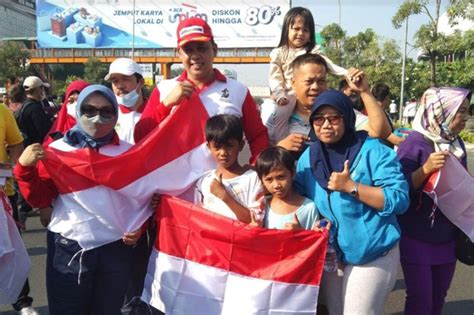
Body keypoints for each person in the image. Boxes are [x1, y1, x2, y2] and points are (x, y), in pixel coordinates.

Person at [14, 85, 152, 315]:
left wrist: (140, 227)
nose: (97, 118)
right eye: (89, 110)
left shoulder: (129, 154)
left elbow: (143, 198)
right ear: (78, 111)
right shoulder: (56, 151)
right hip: (69, 247)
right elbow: (40, 197)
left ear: (115, 114)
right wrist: (24, 169)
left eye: (106, 111)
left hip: (115, 248)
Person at [294, 89, 409, 314]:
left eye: (334, 117)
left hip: (372, 253)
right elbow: (300, 198)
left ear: (348, 118)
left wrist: (352, 187)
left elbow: (400, 199)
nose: (326, 124)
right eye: (319, 118)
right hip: (332, 256)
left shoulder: (373, 151)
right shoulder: (309, 158)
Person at [134, 17, 268, 166]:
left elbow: (258, 136)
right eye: (188, 50)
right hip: (173, 187)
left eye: (202, 48)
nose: (196, 55)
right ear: (179, 54)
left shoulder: (238, 91)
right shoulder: (164, 89)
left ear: (214, 50)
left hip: (222, 187)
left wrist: (256, 168)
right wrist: (166, 105)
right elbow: (140, 137)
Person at [396, 87, 471, 315]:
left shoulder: (455, 145)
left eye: (468, 112)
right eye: (461, 112)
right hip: (416, 236)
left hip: (448, 237)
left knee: (438, 299)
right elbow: (399, 190)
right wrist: (426, 168)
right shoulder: (414, 143)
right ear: (443, 112)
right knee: (421, 302)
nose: (465, 118)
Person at [275, 53, 391, 155]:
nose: (315, 87)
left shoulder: (341, 112)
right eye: (309, 81)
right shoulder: (277, 116)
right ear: (293, 82)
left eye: (321, 81)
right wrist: (279, 148)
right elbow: (262, 158)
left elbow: (381, 132)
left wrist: (364, 91)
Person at [0, 103, 38, 315]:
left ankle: (22, 301)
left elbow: (16, 144)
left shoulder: (2, 111)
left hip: (3, 193)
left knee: (12, 249)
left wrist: (13, 170)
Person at [268, 7, 346, 106]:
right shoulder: (278, 53)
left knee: (337, 106)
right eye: (296, 29)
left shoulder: (313, 51)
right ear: (286, 30)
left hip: (314, 95)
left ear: (310, 34)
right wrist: (280, 95)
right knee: (272, 111)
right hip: (288, 96)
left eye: (305, 30)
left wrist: (347, 74)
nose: (300, 33)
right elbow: (275, 78)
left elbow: (330, 65)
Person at [194, 114, 264, 224]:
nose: (223, 153)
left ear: (241, 145)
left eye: (229, 145)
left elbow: (255, 220)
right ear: (209, 147)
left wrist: (224, 196)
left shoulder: (253, 179)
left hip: (240, 240)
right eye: (217, 147)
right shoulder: (204, 181)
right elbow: (196, 218)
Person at [255, 146, 318, 230]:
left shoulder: (309, 208)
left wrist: (300, 233)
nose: (276, 185)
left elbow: (317, 240)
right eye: (269, 179)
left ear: (293, 173)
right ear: (262, 181)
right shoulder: (262, 208)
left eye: (281, 177)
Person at [105, 58, 148, 144]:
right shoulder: (106, 117)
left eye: (125, 79)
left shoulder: (156, 113)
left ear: (141, 82)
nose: (120, 86)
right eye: (115, 81)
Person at [44, 80, 91, 146]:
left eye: (79, 100)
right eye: (71, 101)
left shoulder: (100, 132)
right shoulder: (56, 135)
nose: (75, 105)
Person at [371, 83, 404, 148]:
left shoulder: (380, 111)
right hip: (381, 151)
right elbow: (393, 139)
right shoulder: (378, 115)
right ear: (386, 98)